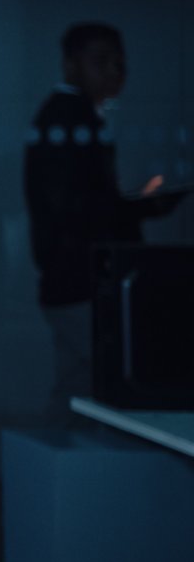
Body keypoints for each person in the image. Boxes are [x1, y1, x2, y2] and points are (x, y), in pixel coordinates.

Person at [23, 23, 184, 419]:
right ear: (70, 65)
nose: (115, 71)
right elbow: (76, 208)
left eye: (119, 61)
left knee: (75, 387)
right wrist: (145, 205)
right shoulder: (69, 119)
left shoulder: (74, 117)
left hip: (75, 282)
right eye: (101, 61)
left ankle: (55, 472)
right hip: (83, 282)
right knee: (118, 382)